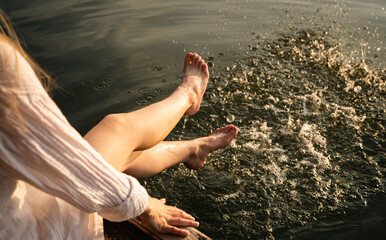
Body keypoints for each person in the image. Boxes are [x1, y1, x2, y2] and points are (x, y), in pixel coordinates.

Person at [0, 9, 238, 239]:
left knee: (117, 150)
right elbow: (82, 172)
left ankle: (195, 149)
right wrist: (145, 204)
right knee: (116, 129)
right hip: (37, 228)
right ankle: (189, 95)